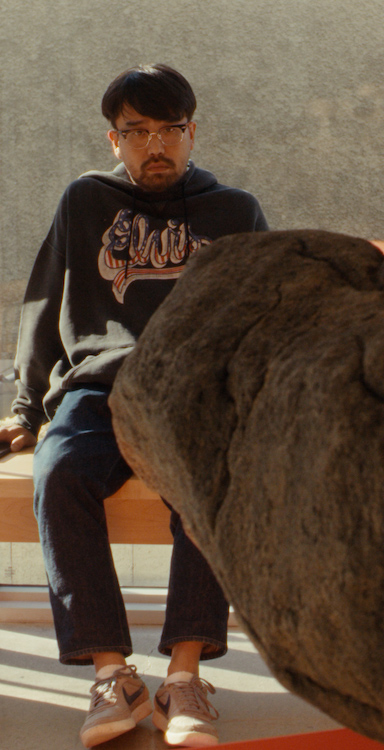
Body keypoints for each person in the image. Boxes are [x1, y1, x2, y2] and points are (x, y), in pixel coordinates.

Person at [0, 63, 268, 748]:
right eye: (138, 131)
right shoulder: (85, 200)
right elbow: (40, 303)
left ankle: (183, 677)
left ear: (192, 132)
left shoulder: (234, 211)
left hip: (193, 394)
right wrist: (26, 410)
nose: (156, 144)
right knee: (58, 474)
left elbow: (266, 312)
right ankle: (112, 673)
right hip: (98, 390)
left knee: (211, 483)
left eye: (170, 129)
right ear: (113, 138)